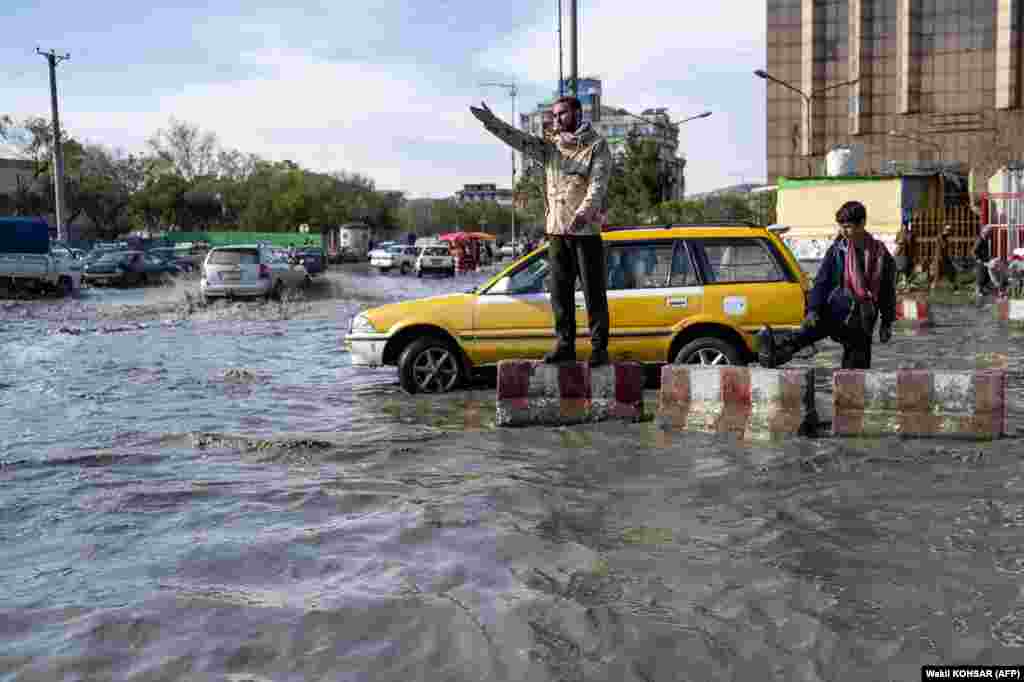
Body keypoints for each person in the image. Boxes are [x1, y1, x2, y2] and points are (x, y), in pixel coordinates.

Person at [470, 96, 613, 366]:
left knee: (594, 293)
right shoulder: (550, 148)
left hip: (586, 232)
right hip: (556, 232)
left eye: (562, 114)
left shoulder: (597, 146)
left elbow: (598, 184)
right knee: (560, 292)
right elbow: (517, 139)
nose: (556, 120)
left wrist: (584, 213)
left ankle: (599, 348)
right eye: (554, 115)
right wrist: (491, 122)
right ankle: (565, 345)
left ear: (577, 114)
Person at [758, 201, 896, 370]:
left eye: (848, 227)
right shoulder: (838, 251)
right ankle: (775, 353)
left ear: (862, 224)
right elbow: (822, 282)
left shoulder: (881, 255)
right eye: (841, 227)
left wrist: (886, 323)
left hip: (862, 318)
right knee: (809, 329)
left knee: (856, 367)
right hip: (836, 308)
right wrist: (813, 309)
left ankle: (850, 391)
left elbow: (887, 291)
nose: (843, 232)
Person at [930, 225, 957, 291]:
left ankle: (952, 284)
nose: (950, 233)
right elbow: (943, 246)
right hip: (940, 258)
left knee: (951, 271)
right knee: (938, 274)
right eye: (950, 231)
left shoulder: (945, 237)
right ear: (946, 230)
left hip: (944, 257)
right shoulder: (941, 236)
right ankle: (933, 287)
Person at [894, 222, 914, 288]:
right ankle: (895, 284)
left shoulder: (909, 234)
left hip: (905, 254)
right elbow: (895, 241)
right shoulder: (899, 232)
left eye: (906, 226)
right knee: (897, 270)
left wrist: (904, 241)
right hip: (899, 254)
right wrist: (899, 242)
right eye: (903, 226)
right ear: (902, 226)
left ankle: (906, 284)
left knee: (905, 270)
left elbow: (910, 242)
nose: (905, 227)